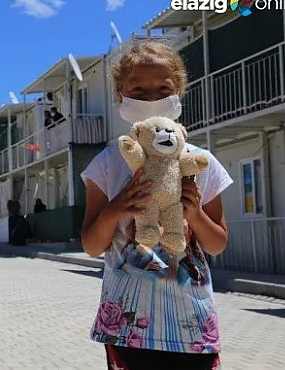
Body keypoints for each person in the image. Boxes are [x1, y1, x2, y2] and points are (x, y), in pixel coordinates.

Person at [80, 41, 232, 370]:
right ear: (120, 94)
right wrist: (115, 209)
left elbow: (217, 243)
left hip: (191, 322)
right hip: (127, 323)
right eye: (139, 89)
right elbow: (92, 245)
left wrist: (195, 214)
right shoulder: (106, 163)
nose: (151, 98)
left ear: (178, 91)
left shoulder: (201, 163)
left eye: (162, 89)